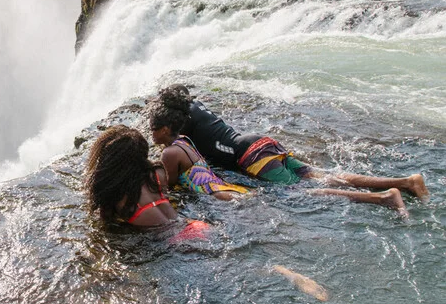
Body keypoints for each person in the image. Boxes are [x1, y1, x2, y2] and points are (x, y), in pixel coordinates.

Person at [148, 84, 429, 215]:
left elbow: (176, 156)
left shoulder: (180, 128)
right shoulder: (195, 108)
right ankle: (405, 182)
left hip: (251, 157)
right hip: (261, 143)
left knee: (301, 192)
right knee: (318, 175)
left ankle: (384, 198)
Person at [84, 125, 177, 227]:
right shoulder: (157, 173)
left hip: (166, 239)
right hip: (191, 227)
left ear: (110, 161)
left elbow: (105, 222)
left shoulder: (114, 193)